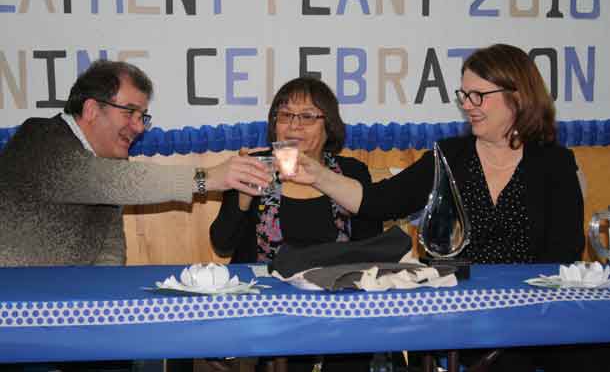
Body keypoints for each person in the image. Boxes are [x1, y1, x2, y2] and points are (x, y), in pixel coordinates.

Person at [289, 44, 592, 371]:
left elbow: (565, 253)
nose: (468, 105)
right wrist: (318, 176)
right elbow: (377, 201)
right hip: (456, 315)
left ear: (517, 96)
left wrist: (517, 307)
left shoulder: (555, 164)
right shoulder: (449, 156)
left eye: (478, 96)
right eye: (464, 95)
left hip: (531, 316)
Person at [0, 59, 271, 267]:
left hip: (60, 310)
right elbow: (106, 180)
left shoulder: (108, 165)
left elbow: (109, 246)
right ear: (92, 109)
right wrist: (208, 177)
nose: (139, 127)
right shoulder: (39, 138)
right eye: (130, 113)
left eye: (143, 116)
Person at [210, 76, 383, 372]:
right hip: (266, 318)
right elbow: (222, 244)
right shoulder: (255, 167)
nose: (294, 125)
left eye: (307, 116)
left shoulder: (351, 175)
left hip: (339, 318)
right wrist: (243, 193)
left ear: (329, 127)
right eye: (286, 115)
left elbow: (371, 250)